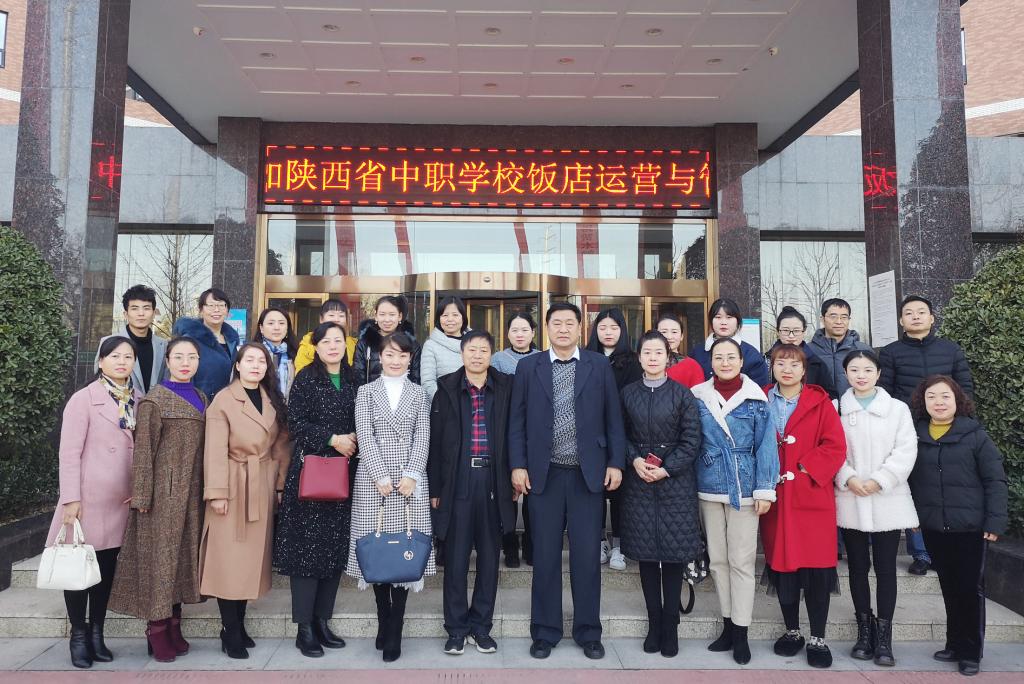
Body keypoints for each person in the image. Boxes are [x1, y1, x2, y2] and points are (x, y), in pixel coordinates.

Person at [509, 302, 626, 661]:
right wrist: (518, 465)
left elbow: (613, 418)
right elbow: (517, 421)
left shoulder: (598, 365)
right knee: (544, 557)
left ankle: (589, 632)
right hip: (543, 476)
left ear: (579, 328)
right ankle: (545, 632)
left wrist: (616, 463)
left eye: (569, 323)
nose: (563, 329)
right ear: (546, 329)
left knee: (587, 557)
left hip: (586, 476)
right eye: (556, 323)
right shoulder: (529, 367)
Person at [108, 337, 206, 663]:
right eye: (178, 357)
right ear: (168, 361)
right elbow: (143, 451)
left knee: (181, 561)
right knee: (161, 562)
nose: (185, 363)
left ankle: (175, 625)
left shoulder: (202, 397)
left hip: (192, 493)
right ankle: (157, 629)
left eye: (191, 357)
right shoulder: (155, 400)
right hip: (164, 494)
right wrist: (142, 495)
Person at [47, 336, 142, 669]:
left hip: (120, 500)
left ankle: (97, 632)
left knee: (105, 569)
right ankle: (78, 634)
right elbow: (69, 453)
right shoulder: (83, 399)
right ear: (101, 362)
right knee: (79, 569)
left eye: (128, 357)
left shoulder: (138, 400)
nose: (122, 362)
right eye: (114, 356)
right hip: (87, 499)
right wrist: (71, 498)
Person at [909, 376, 1008, 677]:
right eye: (931, 397)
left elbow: (995, 480)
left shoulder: (975, 435)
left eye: (945, 396)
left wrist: (994, 521)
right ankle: (953, 644)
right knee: (949, 587)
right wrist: (913, 518)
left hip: (970, 528)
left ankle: (970, 652)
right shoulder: (916, 434)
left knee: (969, 589)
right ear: (923, 402)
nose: (938, 402)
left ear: (957, 400)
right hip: (934, 527)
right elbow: (911, 481)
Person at [346, 331, 435, 663]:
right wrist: (379, 475)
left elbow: (423, 434)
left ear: (410, 359)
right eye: (390, 354)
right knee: (378, 552)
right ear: (379, 357)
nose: (396, 360)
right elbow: (365, 434)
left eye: (402, 355)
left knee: (405, 555)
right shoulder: (366, 392)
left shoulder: (419, 393)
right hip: (374, 483)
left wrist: (412, 474)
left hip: (410, 483)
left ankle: (395, 627)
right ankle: (383, 618)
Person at [199, 343, 291, 660]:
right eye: (249, 360)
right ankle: (230, 630)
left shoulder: (271, 398)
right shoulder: (224, 400)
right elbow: (214, 450)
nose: (255, 365)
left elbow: (281, 446)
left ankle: (238, 624)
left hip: (261, 484)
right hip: (232, 484)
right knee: (229, 562)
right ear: (237, 365)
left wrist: (279, 485)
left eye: (261, 361)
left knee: (250, 562)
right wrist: (217, 493)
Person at [690, 337, 778, 665]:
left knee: (741, 560)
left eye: (731, 357)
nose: (725, 363)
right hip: (708, 483)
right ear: (710, 362)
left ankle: (741, 631)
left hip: (745, 485)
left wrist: (765, 489)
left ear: (741, 362)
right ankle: (727, 625)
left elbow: (766, 445)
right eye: (719, 357)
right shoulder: (698, 396)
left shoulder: (756, 398)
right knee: (718, 560)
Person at [427, 330, 516, 656]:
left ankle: (481, 628)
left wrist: (514, 476)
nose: (477, 355)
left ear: (491, 355)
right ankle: (456, 629)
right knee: (455, 559)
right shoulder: (446, 389)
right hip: (458, 481)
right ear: (462, 354)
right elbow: (435, 442)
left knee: (490, 559)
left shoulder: (506, 388)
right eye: (472, 350)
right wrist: (436, 487)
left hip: (494, 480)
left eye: (483, 350)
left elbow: (515, 433)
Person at [759, 344, 846, 669]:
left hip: (811, 496)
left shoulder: (820, 403)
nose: (787, 370)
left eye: (794, 364)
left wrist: (806, 467)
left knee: (817, 569)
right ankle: (792, 630)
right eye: (780, 363)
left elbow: (835, 445)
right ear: (772, 367)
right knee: (783, 567)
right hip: (775, 498)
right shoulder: (760, 399)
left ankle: (818, 637)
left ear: (804, 370)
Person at [274, 322, 357, 658]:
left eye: (339, 341)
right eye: (327, 341)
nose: (333, 346)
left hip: (345, 475)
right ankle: (304, 628)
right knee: (306, 553)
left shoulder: (355, 379)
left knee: (334, 550)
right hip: (312, 474)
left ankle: (323, 621)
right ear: (317, 347)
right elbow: (295, 424)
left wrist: (353, 439)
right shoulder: (306, 379)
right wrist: (332, 439)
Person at [619, 330, 702, 658]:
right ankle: (654, 624)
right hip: (639, 482)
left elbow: (692, 440)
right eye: (647, 352)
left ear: (668, 357)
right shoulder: (628, 394)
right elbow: (620, 434)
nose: (653, 358)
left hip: (675, 485)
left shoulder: (683, 395)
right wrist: (635, 460)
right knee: (647, 557)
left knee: (672, 556)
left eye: (659, 352)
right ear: (639, 357)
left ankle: (671, 625)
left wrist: (667, 468)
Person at [879, 295, 974, 577]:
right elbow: (886, 393)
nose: (916, 316)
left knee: (944, 488)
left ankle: (944, 548)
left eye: (922, 312)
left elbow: (965, 387)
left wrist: (961, 424)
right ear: (901, 320)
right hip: (909, 430)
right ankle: (921, 552)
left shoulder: (950, 349)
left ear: (932, 318)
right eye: (909, 313)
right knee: (915, 490)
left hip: (947, 429)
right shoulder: (891, 352)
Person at [835, 349, 918, 668]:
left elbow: (906, 449)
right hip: (851, 497)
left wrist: (881, 480)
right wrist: (848, 477)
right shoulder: (837, 408)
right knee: (857, 567)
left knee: (886, 569)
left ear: (879, 374)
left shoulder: (897, 409)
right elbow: (831, 448)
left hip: (887, 499)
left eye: (868, 369)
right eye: (854, 369)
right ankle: (864, 631)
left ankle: (884, 637)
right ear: (846, 373)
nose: (861, 375)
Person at [585, 308, 641, 571]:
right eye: (603, 327)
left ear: (623, 331)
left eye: (614, 328)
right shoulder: (585, 358)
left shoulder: (633, 362)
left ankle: (619, 544)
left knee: (620, 494)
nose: (608, 332)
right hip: (591, 437)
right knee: (593, 491)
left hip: (623, 434)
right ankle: (599, 541)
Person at [490, 311, 541, 568]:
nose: (520, 335)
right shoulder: (498, 359)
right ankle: (509, 545)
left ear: (533, 332)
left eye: (524, 330)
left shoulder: (543, 358)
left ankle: (531, 546)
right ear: (507, 333)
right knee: (506, 492)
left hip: (535, 432)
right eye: (514, 330)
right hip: (504, 429)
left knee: (534, 492)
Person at [96, 284, 167, 394]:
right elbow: (99, 381)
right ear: (126, 314)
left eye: (146, 308)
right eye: (134, 308)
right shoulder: (108, 342)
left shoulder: (163, 345)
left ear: (153, 314)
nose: (141, 313)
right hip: (119, 403)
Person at [173, 288, 239, 399]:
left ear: (227, 311)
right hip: (199, 404)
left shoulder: (233, 341)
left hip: (227, 405)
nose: (216, 310)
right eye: (211, 305)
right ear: (201, 310)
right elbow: (179, 380)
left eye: (221, 305)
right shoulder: (188, 341)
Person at [689, 298, 769, 385]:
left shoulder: (751, 355)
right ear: (711, 321)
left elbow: (760, 388)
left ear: (738, 321)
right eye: (718, 317)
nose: (723, 322)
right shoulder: (697, 353)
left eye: (729, 317)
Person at [765, 306, 838, 400]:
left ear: (804, 332)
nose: (791, 336)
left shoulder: (816, 363)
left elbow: (830, 396)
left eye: (796, 331)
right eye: (786, 330)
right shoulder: (766, 360)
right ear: (778, 331)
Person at [807, 298, 872, 397]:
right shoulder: (809, 351)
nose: (839, 321)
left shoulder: (862, 350)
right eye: (833, 317)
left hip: (854, 405)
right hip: (820, 405)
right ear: (822, 319)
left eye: (844, 317)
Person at [353, 295, 422, 385]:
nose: (387, 319)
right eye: (382, 314)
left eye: (392, 314)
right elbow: (358, 378)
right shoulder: (365, 343)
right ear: (376, 316)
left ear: (400, 316)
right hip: (370, 393)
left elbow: (416, 379)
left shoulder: (411, 345)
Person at [420, 295, 469, 399]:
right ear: (439, 318)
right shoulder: (430, 345)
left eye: (455, 315)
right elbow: (428, 383)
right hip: (444, 404)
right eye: (445, 315)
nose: (450, 319)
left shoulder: (474, 342)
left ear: (463, 317)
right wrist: (445, 403)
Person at [296, 299, 357, 371]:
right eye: (331, 315)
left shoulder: (353, 343)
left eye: (341, 315)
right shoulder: (309, 341)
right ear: (321, 319)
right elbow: (301, 371)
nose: (336, 319)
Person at [253, 307, 298, 399]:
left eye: (281, 323)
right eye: (271, 323)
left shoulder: (296, 354)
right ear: (261, 328)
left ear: (287, 328)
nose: (277, 328)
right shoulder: (251, 353)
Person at [658, 312, 704, 388]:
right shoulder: (647, 363)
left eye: (674, 332)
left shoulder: (692, 366)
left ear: (682, 336)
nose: (669, 337)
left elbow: (698, 394)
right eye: (664, 332)